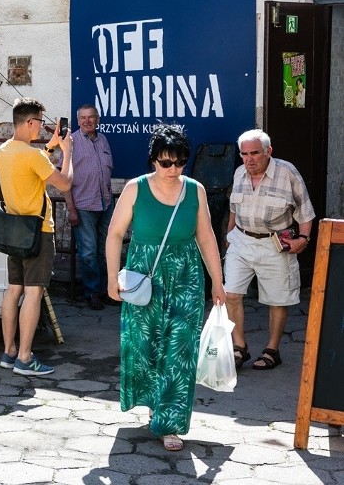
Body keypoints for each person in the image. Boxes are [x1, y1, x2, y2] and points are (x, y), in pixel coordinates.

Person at [106, 124, 226, 452]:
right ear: (153, 161)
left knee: (179, 349)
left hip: (186, 274)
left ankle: (170, 420)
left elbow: (205, 238)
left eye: (179, 162)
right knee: (144, 346)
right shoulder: (135, 188)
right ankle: (154, 403)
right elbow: (115, 234)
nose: (172, 169)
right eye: (165, 162)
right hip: (145, 273)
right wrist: (111, 276)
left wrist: (217, 280)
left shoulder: (195, 190)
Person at [224, 129, 314, 372]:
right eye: (244, 154)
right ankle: (239, 347)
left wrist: (303, 238)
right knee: (230, 293)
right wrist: (229, 234)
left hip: (275, 243)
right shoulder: (240, 172)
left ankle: (272, 350)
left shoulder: (287, 172)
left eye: (254, 153)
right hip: (241, 239)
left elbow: (305, 211)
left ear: (268, 152)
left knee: (277, 299)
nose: (249, 159)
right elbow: (234, 206)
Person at [0, 97, 73, 376]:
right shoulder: (32, 155)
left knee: (12, 289)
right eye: (40, 121)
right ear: (29, 123)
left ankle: (10, 351)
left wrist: (51, 147)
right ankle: (26, 358)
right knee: (33, 292)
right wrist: (68, 152)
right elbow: (65, 183)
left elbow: (32, 170)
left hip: (15, 230)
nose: (42, 126)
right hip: (38, 231)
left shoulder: (3, 151)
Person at [63, 104, 115, 310]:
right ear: (78, 121)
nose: (87, 121)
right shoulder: (71, 143)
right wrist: (71, 209)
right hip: (83, 206)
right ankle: (92, 292)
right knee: (89, 253)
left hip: (106, 204)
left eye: (91, 117)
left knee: (106, 251)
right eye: (83, 118)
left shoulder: (103, 140)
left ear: (97, 119)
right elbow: (63, 179)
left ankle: (106, 291)